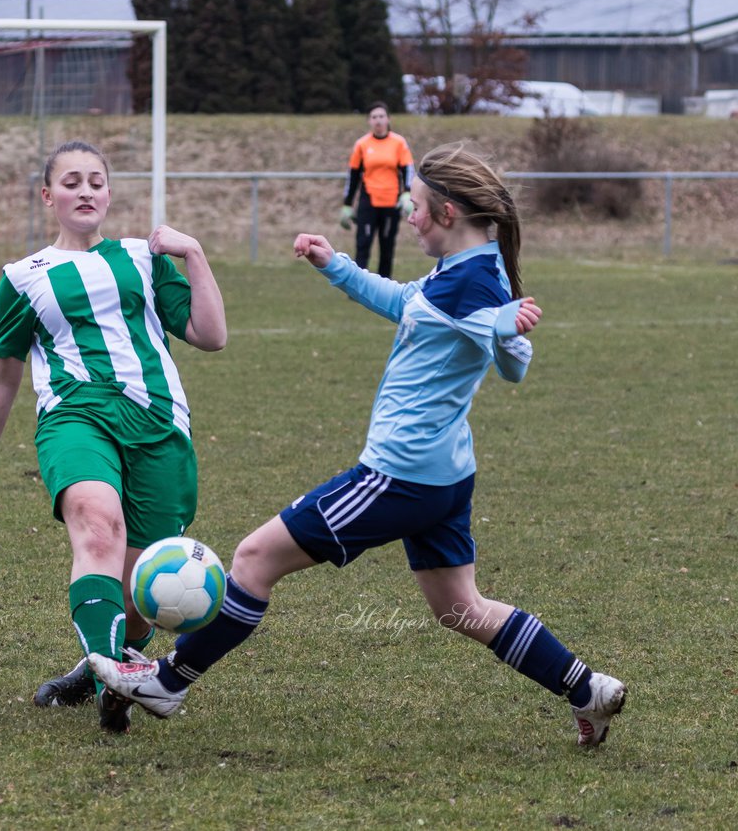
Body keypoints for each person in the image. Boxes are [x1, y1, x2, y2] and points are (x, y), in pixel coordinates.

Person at [91, 141, 627, 747]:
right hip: (444, 476)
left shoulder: (476, 283)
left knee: (254, 559)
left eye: (415, 205)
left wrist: (504, 329)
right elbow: (413, 306)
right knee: (461, 607)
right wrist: (335, 265)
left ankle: (168, 681)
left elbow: (505, 351)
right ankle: (588, 689)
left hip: (399, 476)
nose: (408, 214)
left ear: (447, 213)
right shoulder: (472, 269)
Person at [0, 140, 227, 734]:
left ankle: (104, 667)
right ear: (49, 197)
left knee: (136, 603)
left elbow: (210, 335)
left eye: (96, 182)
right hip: (77, 417)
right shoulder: (23, 278)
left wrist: (194, 255)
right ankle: (109, 672)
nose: (86, 192)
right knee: (97, 525)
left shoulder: (143, 258)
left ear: (109, 193)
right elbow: (2, 374)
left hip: (159, 428)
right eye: (71, 182)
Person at [340, 101, 414, 280]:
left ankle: (384, 289)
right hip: (369, 202)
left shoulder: (398, 143)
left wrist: (407, 193)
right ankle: (357, 286)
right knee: (363, 244)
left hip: (391, 203)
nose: (378, 120)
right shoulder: (362, 144)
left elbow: (408, 169)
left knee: (387, 246)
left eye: (381, 116)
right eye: (374, 117)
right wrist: (347, 205)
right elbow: (354, 175)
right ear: (369, 121)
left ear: (388, 119)